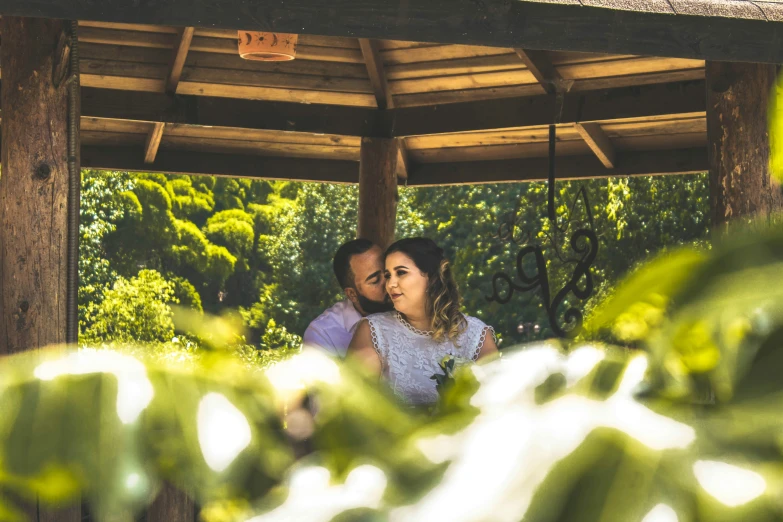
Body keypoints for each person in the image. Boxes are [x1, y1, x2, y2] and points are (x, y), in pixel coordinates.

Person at [348, 237, 498, 405]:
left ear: (431, 276)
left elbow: (496, 407)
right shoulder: (373, 331)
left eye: (401, 273)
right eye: (388, 275)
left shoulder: (477, 336)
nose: (390, 284)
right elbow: (356, 408)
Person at [303, 239, 393, 357]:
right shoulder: (323, 334)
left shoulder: (407, 308)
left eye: (388, 274)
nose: (389, 284)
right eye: (375, 281)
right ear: (352, 294)